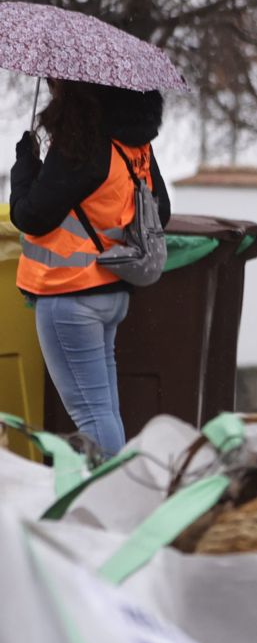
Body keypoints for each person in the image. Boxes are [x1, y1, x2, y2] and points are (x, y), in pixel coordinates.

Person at [10, 82, 170, 457]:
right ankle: (115, 486)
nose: (51, 86)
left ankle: (112, 498)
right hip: (112, 290)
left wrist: (24, 167)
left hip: (69, 295)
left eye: (56, 82)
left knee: (92, 416)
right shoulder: (133, 146)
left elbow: (31, 215)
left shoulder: (83, 143)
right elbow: (160, 211)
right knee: (104, 410)